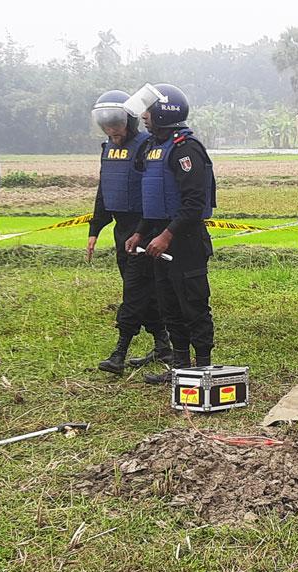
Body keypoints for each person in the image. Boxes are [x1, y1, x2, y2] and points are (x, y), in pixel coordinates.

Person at [121, 83, 217, 384]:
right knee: (168, 305)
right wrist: (141, 233)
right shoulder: (152, 147)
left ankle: (202, 367)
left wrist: (167, 236)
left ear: (164, 112)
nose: (145, 117)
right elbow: (154, 202)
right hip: (158, 240)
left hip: (185, 241)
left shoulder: (186, 149)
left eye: (149, 111)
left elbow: (193, 204)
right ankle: (179, 367)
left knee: (193, 305)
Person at [87, 89, 172, 374]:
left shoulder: (148, 145)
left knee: (134, 291)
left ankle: (119, 353)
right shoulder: (108, 149)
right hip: (122, 231)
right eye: (106, 125)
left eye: (117, 123)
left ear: (130, 121)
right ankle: (163, 346)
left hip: (145, 228)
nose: (112, 130)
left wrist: (144, 231)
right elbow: (105, 189)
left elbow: (153, 191)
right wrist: (95, 228)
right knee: (143, 291)